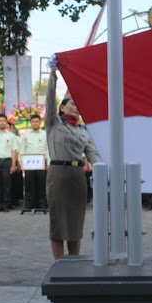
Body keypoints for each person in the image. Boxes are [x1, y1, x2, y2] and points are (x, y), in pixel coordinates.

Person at [46, 57, 101, 259]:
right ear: (62, 107)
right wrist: (53, 76)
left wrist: (106, 170)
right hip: (59, 173)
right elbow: (50, 99)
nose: (76, 106)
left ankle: (74, 263)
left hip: (78, 176)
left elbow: (93, 154)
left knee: (76, 222)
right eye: (72, 103)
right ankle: (59, 265)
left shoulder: (84, 131)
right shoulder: (54, 123)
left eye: (78, 104)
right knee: (59, 222)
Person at [20, 113, 50, 211]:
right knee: (29, 184)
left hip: (41, 163)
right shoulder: (26, 135)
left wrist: (48, 163)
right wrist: (22, 163)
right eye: (33, 122)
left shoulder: (45, 134)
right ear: (30, 123)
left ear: (40, 123)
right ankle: (29, 204)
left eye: (37, 121)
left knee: (42, 184)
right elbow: (22, 150)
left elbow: (48, 150)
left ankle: (42, 204)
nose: (35, 123)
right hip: (29, 164)